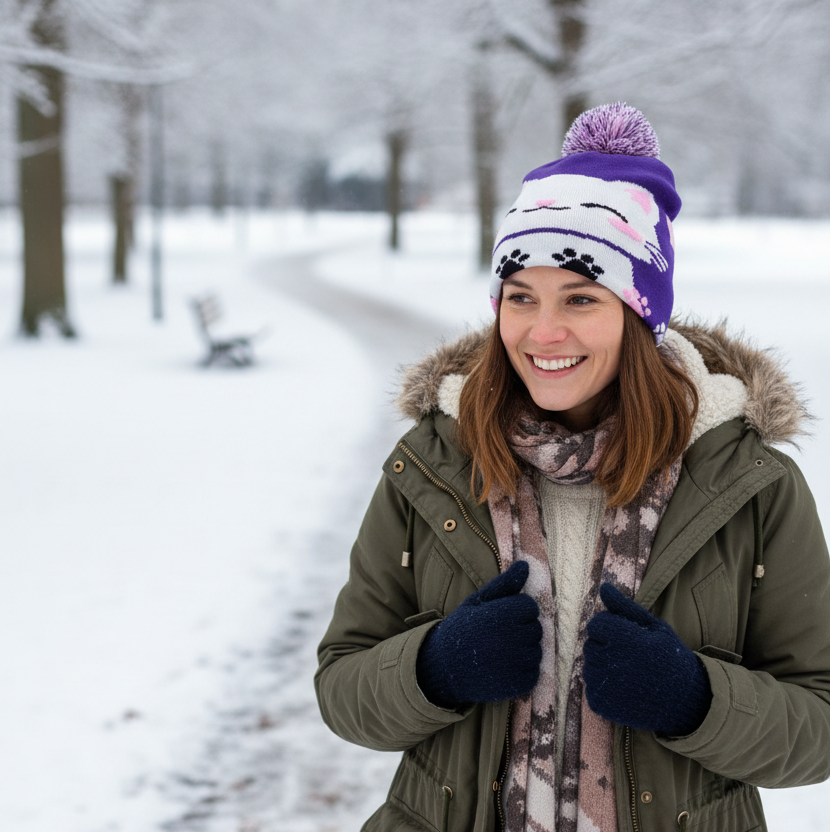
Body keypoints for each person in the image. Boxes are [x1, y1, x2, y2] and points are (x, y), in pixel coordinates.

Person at [314, 103, 830, 832]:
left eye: (581, 299)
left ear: (638, 315)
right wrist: (433, 668)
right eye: (519, 298)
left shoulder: (749, 484)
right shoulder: (432, 465)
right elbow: (341, 688)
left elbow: (819, 722)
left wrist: (697, 700)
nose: (542, 332)